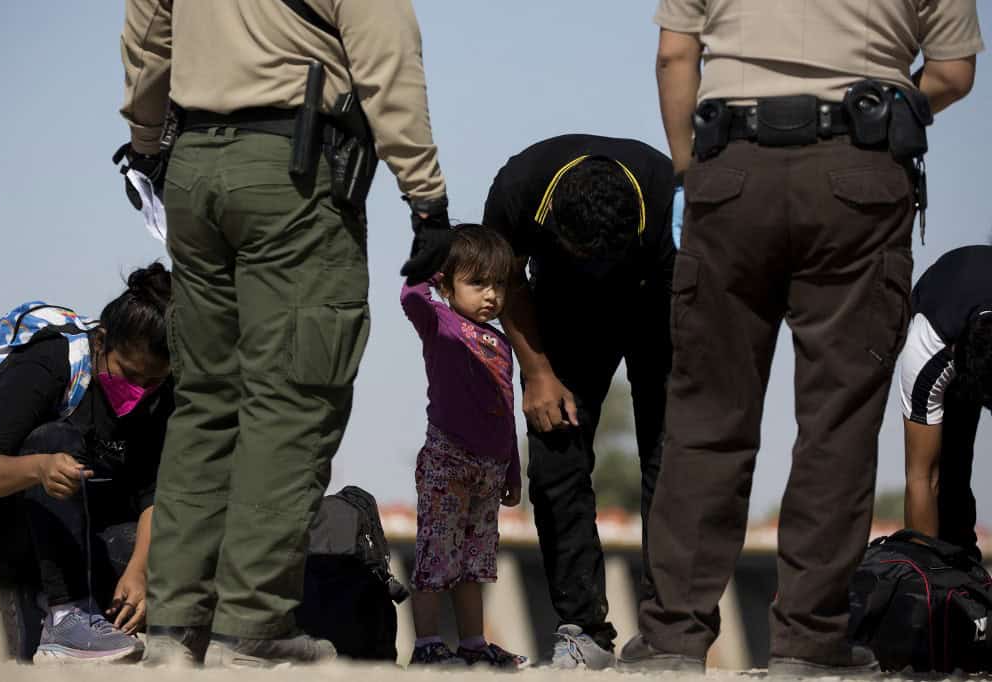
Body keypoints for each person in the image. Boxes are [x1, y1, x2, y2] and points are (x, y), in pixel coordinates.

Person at [625, 1, 982, 675]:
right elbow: (954, 71)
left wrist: (688, 172)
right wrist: (890, 104)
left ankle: (672, 639)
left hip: (730, 168)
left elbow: (675, 56)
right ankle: (809, 643)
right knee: (837, 422)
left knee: (705, 415)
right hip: (860, 174)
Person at [118, 0, 454, 668]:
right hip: (291, 173)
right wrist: (427, 199)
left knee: (206, 399)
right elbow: (387, 65)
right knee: (295, 396)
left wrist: (150, 143)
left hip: (190, 169)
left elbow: (146, 39)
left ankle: (175, 625)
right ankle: (251, 626)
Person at [482, 135, 676, 668]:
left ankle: (667, 629)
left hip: (651, 302)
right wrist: (538, 372)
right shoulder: (519, 189)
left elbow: (692, 300)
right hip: (563, 313)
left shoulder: (666, 195)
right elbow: (503, 278)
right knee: (554, 454)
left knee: (672, 457)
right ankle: (584, 631)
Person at [0, 263, 173, 664]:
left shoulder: (159, 400)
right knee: (54, 439)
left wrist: (140, 571)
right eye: (128, 374)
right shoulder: (50, 363)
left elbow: (154, 494)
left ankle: (67, 621)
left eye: (152, 383)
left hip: (81, 539)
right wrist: (38, 468)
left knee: (171, 558)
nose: (138, 392)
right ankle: (65, 617)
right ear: (101, 342)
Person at [401, 225, 528, 670]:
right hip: (448, 460)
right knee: (437, 554)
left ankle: (473, 643)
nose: (491, 295)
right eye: (477, 283)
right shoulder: (440, 323)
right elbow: (410, 296)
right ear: (447, 283)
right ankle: (427, 645)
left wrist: (512, 471)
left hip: (490, 469)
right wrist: (431, 259)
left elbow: (506, 408)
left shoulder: (503, 345)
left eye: (498, 284)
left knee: (475, 562)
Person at [902, 245, 992, 560]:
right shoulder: (927, 352)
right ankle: (930, 579)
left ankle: (964, 563)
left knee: (959, 467)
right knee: (937, 465)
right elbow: (920, 476)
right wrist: (925, 577)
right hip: (945, 318)